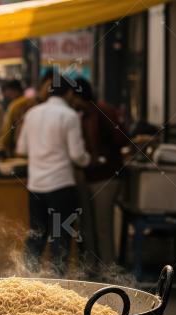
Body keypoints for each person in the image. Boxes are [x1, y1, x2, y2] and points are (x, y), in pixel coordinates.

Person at [17, 75, 91, 277]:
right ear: (68, 93)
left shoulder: (32, 113)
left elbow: (21, 148)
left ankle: (26, 281)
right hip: (60, 186)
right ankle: (58, 285)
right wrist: (89, 160)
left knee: (36, 235)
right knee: (60, 237)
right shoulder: (69, 115)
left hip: (35, 186)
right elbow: (77, 155)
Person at [69, 77, 127, 266]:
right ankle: (93, 268)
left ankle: (109, 271)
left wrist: (100, 155)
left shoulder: (103, 110)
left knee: (103, 227)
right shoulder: (83, 114)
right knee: (88, 226)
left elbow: (121, 138)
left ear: (78, 95)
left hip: (106, 177)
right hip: (90, 176)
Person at [0, 69, 55, 155]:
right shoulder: (19, 105)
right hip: (23, 154)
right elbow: (7, 133)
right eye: (49, 86)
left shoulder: (19, 104)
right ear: (42, 86)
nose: (51, 91)